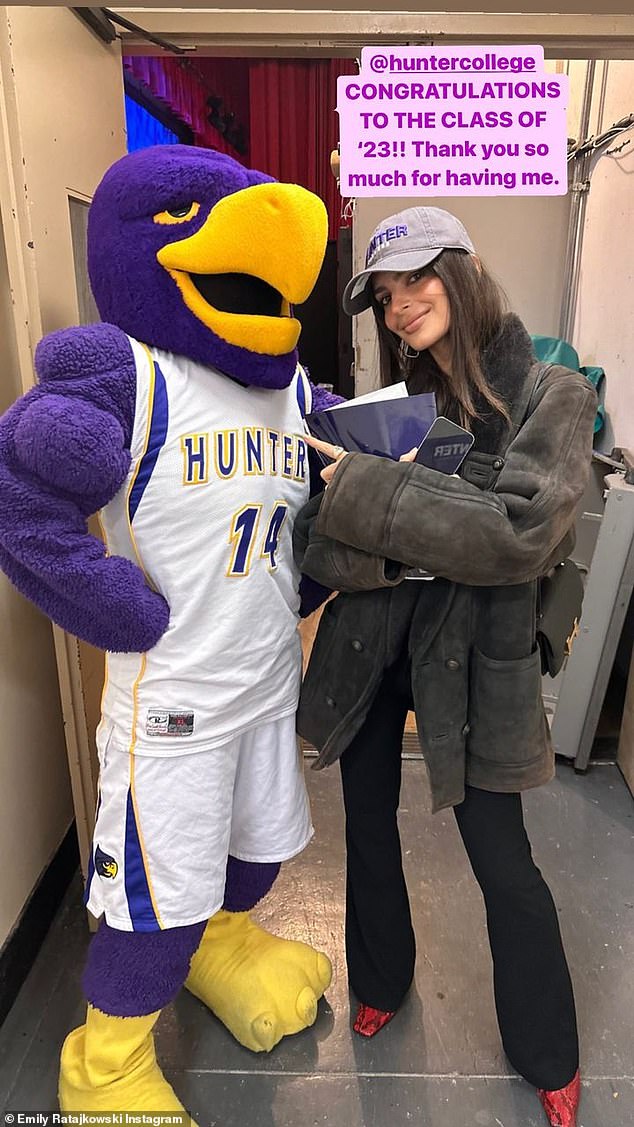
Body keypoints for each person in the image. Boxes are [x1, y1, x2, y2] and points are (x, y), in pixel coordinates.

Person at [294, 206, 597, 1127]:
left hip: (477, 665)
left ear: (462, 272)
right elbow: (322, 541)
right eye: (383, 297)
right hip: (373, 644)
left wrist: (374, 495)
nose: (398, 308)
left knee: (502, 859)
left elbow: (518, 537)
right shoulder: (389, 408)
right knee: (369, 830)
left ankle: (548, 1049)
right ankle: (381, 975)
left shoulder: (552, 392)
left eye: (415, 281)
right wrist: (393, 529)